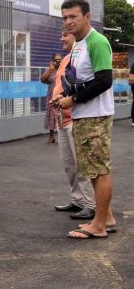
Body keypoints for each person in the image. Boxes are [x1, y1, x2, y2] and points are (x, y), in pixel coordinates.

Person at [56, 0, 115, 239]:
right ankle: (106, 217)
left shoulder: (97, 42)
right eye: (65, 17)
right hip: (83, 116)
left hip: (95, 117)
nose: (68, 22)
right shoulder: (78, 44)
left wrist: (73, 100)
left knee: (100, 171)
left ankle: (99, 225)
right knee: (92, 170)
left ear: (87, 17)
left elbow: (104, 81)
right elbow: (84, 80)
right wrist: (65, 96)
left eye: (73, 17)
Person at [50, 31, 96, 221]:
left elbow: (86, 85)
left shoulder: (81, 57)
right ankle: (77, 200)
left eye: (65, 35)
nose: (61, 38)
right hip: (61, 118)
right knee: (69, 164)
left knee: (82, 164)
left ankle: (91, 205)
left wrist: (68, 99)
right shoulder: (65, 59)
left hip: (76, 117)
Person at [40, 53, 62, 143]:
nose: (57, 61)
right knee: (51, 114)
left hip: (61, 95)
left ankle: (62, 135)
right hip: (51, 95)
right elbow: (42, 80)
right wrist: (50, 70)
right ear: (52, 61)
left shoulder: (64, 68)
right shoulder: (49, 69)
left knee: (62, 114)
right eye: (56, 59)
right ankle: (51, 136)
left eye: (59, 59)